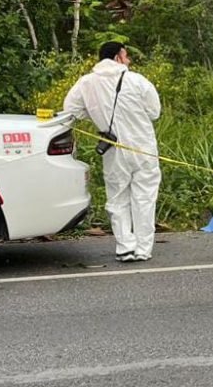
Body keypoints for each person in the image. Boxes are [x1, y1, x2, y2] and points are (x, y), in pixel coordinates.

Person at [63, 42, 162, 262]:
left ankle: (125, 246)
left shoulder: (86, 83)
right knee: (144, 197)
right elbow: (155, 112)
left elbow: (71, 109)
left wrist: (98, 118)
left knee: (117, 197)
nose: (128, 60)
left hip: (113, 148)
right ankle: (143, 249)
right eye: (126, 56)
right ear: (118, 57)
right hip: (143, 147)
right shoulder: (137, 81)